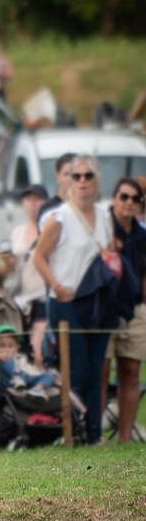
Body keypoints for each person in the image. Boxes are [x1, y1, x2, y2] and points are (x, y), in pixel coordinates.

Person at [32, 155, 112, 445]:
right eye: (76, 176)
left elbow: (109, 254)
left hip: (98, 302)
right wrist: (57, 286)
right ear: (69, 180)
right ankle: (73, 432)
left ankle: (95, 433)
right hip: (67, 303)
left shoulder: (104, 215)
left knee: (96, 370)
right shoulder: (59, 217)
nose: (82, 181)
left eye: (88, 176)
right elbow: (38, 257)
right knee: (77, 370)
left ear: (96, 180)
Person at [101, 178, 146, 444]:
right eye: (124, 197)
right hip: (105, 309)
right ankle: (95, 435)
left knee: (131, 372)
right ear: (114, 199)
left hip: (135, 309)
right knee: (102, 374)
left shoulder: (142, 236)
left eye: (135, 198)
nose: (129, 202)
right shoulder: (102, 228)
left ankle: (125, 438)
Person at [0, 184, 49, 366]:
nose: (32, 203)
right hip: (21, 300)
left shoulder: (50, 229)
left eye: (37, 199)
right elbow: (12, 272)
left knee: (37, 351)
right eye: (28, 199)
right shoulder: (17, 232)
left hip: (43, 297)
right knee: (21, 352)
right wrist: (8, 262)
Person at [0, 324, 56, 400]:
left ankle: (37, 389)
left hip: (24, 380)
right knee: (5, 357)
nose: (6, 349)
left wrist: (38, 366)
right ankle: (16, 378)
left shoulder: (21, 357)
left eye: (10, 346)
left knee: (50, 374)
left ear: (17, 348)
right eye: (2, 346)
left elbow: (30, 373)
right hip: (7, 381)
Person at [38, 153, 75, 225]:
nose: (71, 179)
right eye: (66, 174)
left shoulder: (89, 207)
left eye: (75, 174)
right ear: (57, 177)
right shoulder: (48, 208)